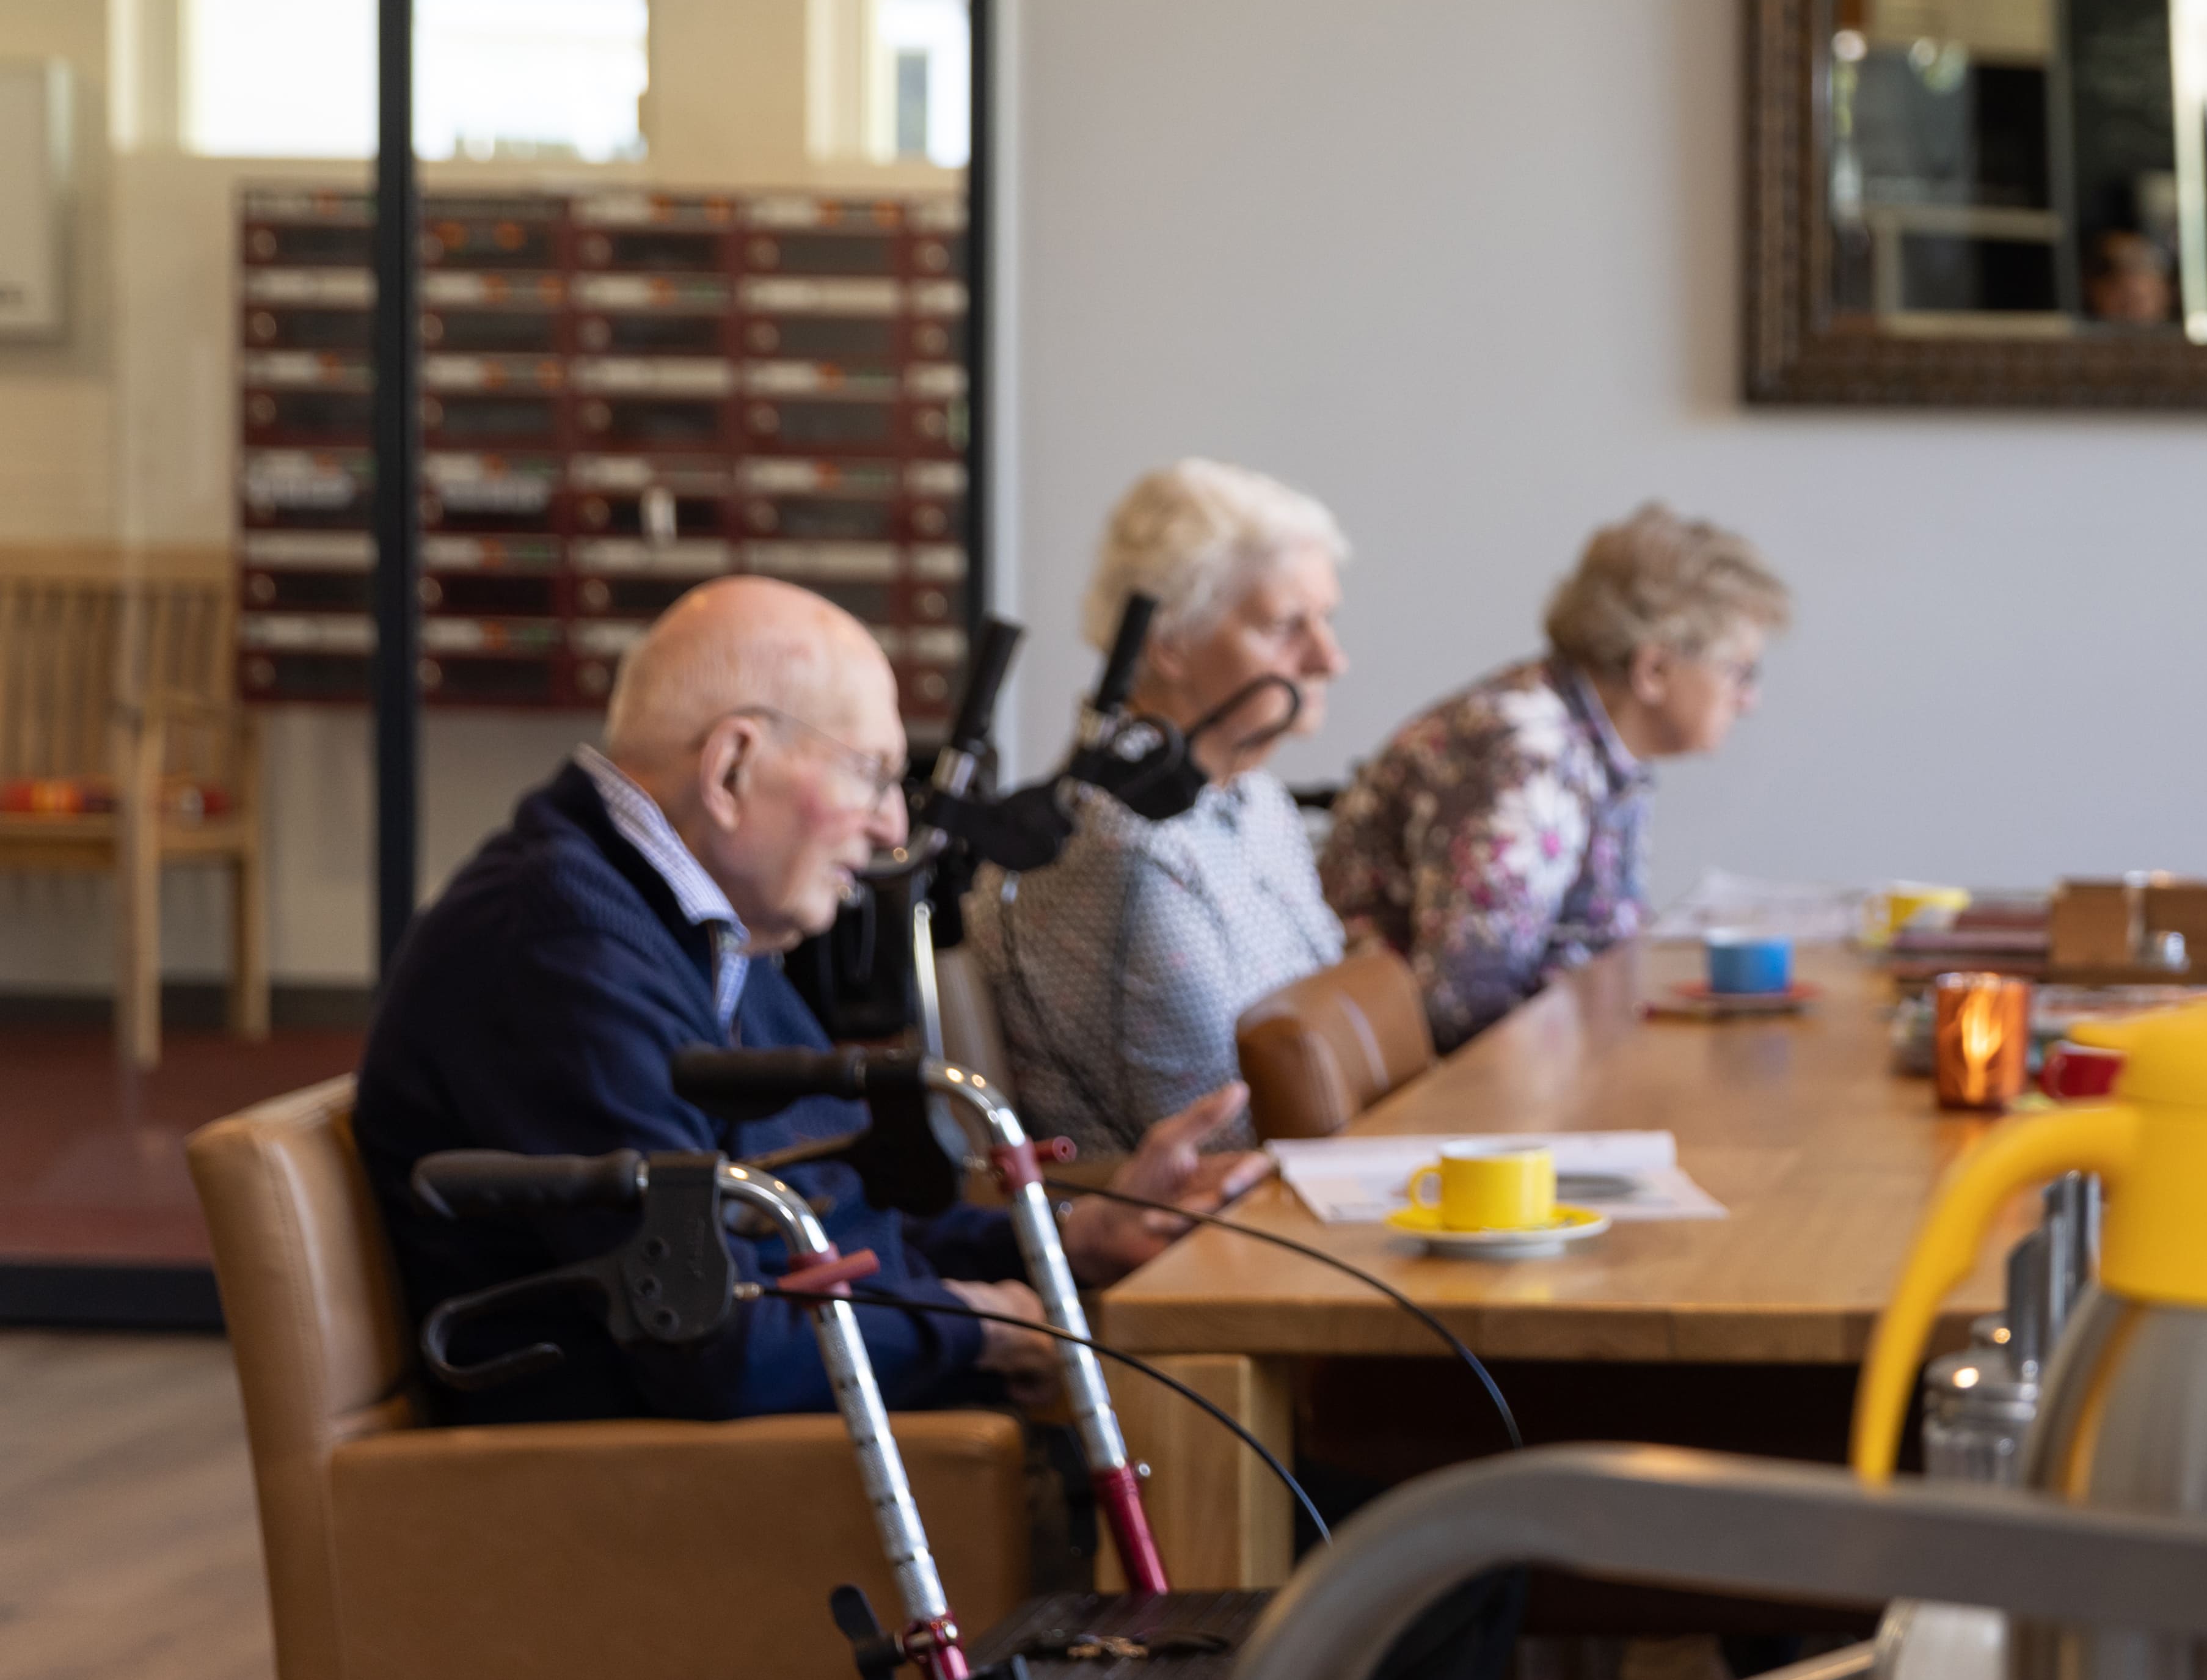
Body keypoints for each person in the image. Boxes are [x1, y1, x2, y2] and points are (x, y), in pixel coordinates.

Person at [359, 578, 1273, 1426]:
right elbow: (715, 1346)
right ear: (731, 771)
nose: (893, 828)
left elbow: (844, 1219)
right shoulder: (557, 952)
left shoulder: (688, 919)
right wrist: (976, 1328)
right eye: (873, 777)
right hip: (645, 1495)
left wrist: (1070, 1237)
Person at [970, 458, 1352, 1163]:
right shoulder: (1119, 851)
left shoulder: (1255, 800)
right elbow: (1226, 1132)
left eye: (1324, 620)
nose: (1329, 658)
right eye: (1285, 627)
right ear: (1168, 645)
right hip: (1197, 1242)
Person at [1322, 502, 1793, 1052]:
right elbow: (1469, 1005)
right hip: (1442, 1098)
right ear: (1654, 670)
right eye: (1738, 671)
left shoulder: (1601, 745)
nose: (1750, 700)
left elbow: (1599, 954)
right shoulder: (1524, 749)